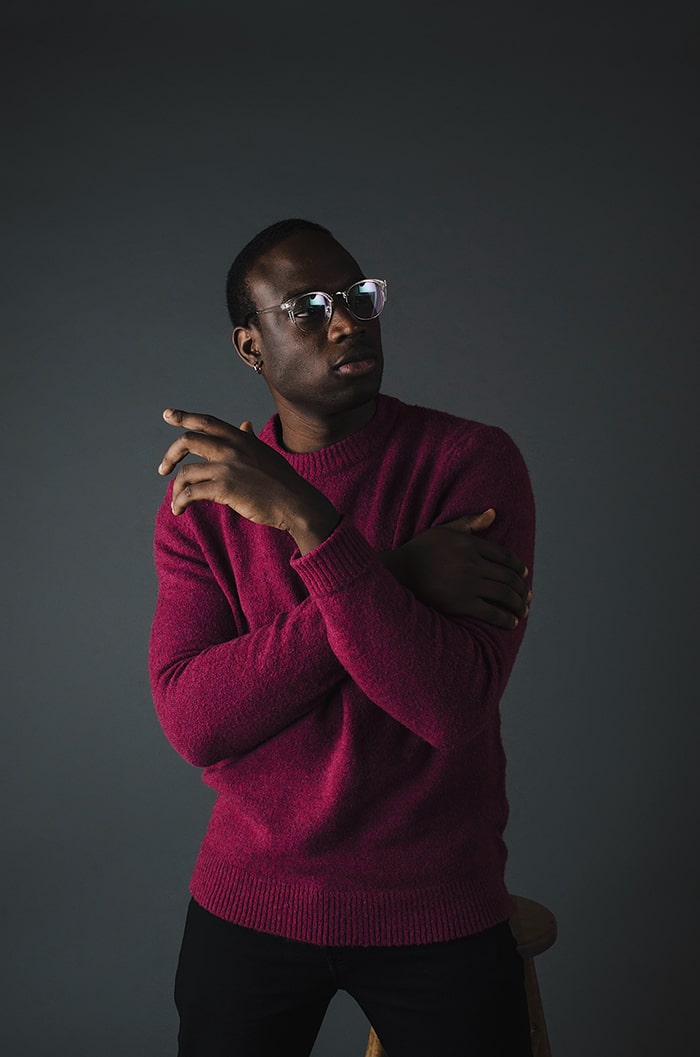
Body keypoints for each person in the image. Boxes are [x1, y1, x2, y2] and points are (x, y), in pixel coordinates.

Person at [149, 217, 536, 1057]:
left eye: (359, 297)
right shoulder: (206, 499)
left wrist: (307, 518)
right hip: (251, 895)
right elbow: (195, 719)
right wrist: (394, 573)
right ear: (251, 346)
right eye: (309, 308)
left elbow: (448, 707)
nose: (348, 322)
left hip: (434, 901)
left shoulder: (469, 462)